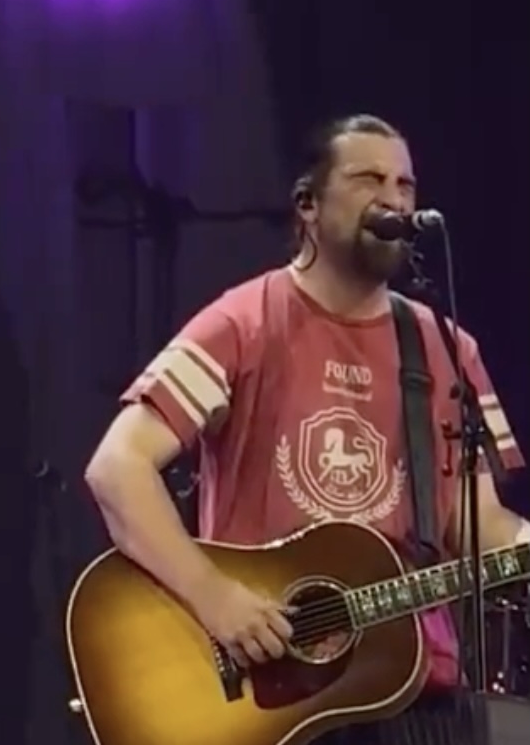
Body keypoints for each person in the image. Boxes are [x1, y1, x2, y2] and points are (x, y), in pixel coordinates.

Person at [84, 114, 529, 745]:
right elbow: (116, 468)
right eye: (368, 179)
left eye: (405, 184)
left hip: (410, 693)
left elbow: (476, 524)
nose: (394, 199)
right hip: (271, 694)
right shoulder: (244, 322)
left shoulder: (447, 348)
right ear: (307, 205)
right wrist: (215, 597)